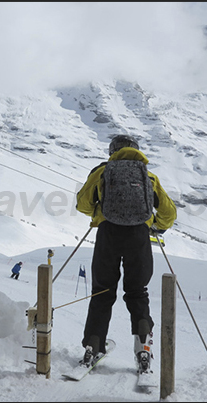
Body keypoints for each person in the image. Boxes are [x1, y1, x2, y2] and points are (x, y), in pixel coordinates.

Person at [75, 134, 176, 375]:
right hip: (139, 236)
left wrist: (99, 213)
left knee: (102, 291)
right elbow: (169, 213)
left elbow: (82, 205)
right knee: (137, 292)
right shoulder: (148, 175)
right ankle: (143, 349)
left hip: (107, 234)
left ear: (112, 151)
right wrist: (155, 225)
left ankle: (93, 346)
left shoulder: (102, 172)